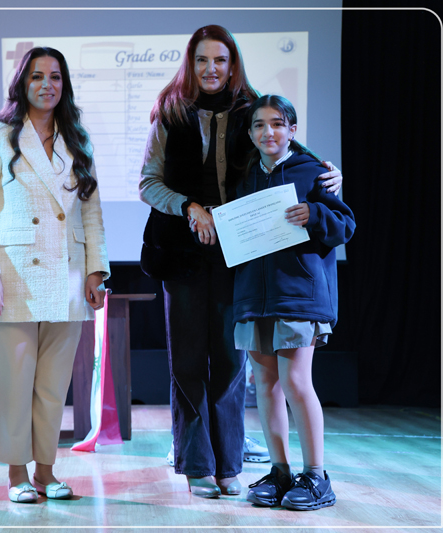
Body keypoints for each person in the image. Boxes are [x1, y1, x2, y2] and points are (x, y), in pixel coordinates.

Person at [138, 25, 342, 498]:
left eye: (220, 60)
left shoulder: (252, 109)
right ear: (190, 64)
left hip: (241, 255)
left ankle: (229, 464)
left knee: (232, 364)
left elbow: (297, 154)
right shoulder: (169, 112)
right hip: (181, 253)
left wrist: (333, 173)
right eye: (202, 60)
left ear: (233, 65)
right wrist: (190, 207)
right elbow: (148, 183)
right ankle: (196, 465)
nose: (211, 69)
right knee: (188, 361)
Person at [0, 47, 109, 504]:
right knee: (14, 383)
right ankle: (16, 475)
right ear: (21, 84)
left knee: (53, 385)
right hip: (12, 276)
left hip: (68, 274)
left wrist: (96, 271)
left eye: (55, 76)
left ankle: (46, 471)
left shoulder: (77, 139)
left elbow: (92, 214)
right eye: (36, 76)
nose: (47, 85)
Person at [237, 95, 354, 510]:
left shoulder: (314, 172)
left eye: (276, 123)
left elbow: (345, 225)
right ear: (250, 133)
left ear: (292, 130)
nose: (267, 132)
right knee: (265, 386)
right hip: (253, 297)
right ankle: (280, 471)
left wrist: (314, 214)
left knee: (296, 382)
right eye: (259, 125)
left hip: (298, 296)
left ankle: (317, 475)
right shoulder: (245, 177)